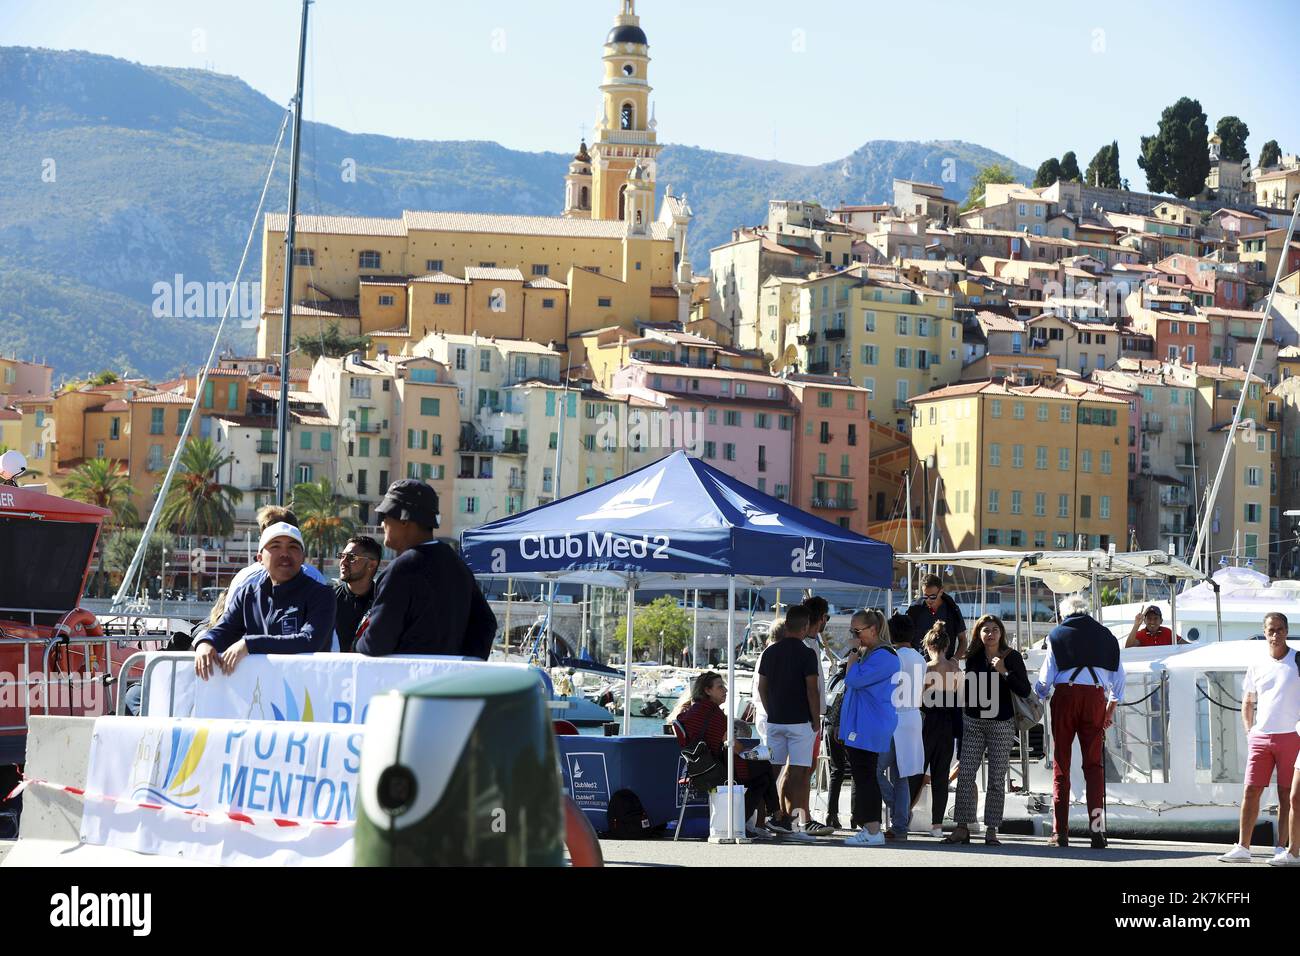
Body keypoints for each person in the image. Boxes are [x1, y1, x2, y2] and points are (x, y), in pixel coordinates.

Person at [354, 479, 497, 658]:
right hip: (449, 682)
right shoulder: (457, 565)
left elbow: (376, 643)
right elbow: (486, 623)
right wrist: (463, 664)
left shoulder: (401, 570)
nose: (383, 523)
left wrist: (358, 643)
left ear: (404, 520)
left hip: (407, 682)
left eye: (386, 516)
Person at [1035, 593, 1125, 849]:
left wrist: (1037, 696)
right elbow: (1119, 679)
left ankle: (1060, 832)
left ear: (1064, 614)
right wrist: (1110, 708)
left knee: (1061, 765)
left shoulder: (1056, 635)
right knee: (1094, 767)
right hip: (1096, 698)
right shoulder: (1107, 636)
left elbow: (1045, 679)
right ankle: (1097, 831)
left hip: (1066, 697)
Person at [193, 522, 336, 680]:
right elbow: (224, 629)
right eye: (275, 546)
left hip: (306, 694)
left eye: (293, 547)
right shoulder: (248, 595)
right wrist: (205, 643)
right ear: (260, 558)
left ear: (303, 557)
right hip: (261, 691)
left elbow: (309, 641)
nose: (285, 554)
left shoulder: (322, 594)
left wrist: (249, 644)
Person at [1221, 612, 1300, 864]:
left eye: (1279, 629)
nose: (1274, 635)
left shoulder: (1297, 660)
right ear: (1264, 632)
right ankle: (1243, 847)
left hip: (1291, 736)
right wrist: (1249, 730)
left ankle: (1281, 848)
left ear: (1287, 631)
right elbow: (1248, 700)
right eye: (1270, 630)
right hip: (1261, 737)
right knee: (1250, 791)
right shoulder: (1257, 664)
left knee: (1287, 795)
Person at [947, 614, 1030, 847]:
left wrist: (1004, 671)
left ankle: (991, 830)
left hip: (1001, 723)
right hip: (972, 721)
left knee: (995, 780)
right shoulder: (972, 657)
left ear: (1001, 633)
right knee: (964, 775)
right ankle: (962, 827)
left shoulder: (1011, 657)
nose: (990, 634)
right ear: (979, 634)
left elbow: (1024, 689)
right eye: (985, 630)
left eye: (994, 629)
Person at [671, 671, 779, 839]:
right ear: (707, 690)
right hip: (715, 770)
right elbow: (735, 746)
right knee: (763, 767)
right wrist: (749, 753)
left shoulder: (693, 712)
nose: (725, 690)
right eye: (720, 687)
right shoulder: (713, 713)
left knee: (762, 777)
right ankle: (772, 816)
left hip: (698, 769)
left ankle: (757, 819)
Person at [757, 606, 823, 839]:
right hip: (800, 722)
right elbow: (812, 690)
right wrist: (816, 720)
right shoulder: (807, 654)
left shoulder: (769, 652)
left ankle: (761, 820)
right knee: (800, 774)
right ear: (805, 627)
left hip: (775, 720)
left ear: (786, 625)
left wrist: (770, 709)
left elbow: (761, 687)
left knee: (771, 771)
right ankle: (795, 825)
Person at [840, 609, 900, 847]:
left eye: (857, 631)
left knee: (866, 775)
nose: (853, 637)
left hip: (870, 724)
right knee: (863, 774)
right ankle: (870, 827)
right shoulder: (874, 654)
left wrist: (853, 654)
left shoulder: (884, 656)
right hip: (863, 723)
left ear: (872, 630)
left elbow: (853, 680)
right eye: (851, 631)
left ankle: (874, 829)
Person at [876, 613, 924, 840]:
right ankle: (900, 825)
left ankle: (897, 810)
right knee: (902, 775)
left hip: (894, 718)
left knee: (874, 769)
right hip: (913, 718)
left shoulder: (892, 656)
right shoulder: (920, 658)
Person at [920, 620, 962, 838]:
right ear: (947, 646)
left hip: (929, 723)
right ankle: (937, 825)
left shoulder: (927, 668)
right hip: (948, 724)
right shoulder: (956, 670)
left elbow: (920, 699)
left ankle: (902, 817)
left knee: (917, 773)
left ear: (928, 646)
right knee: (941, 776)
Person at [334, 535, 381, 652]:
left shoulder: (383, 602)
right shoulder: (329, 600)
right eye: (341, 556)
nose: (343, 562)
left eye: (351, 557)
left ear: (371, 565)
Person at [823, 646, 853, 829]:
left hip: (828, 726)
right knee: (856, 772)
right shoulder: (850, 679)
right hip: (843, 726)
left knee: (837, 771)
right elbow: (844, 703)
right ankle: (855, 815)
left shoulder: (833, 679)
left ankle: (831, 814)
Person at [906, 573, 968, 660]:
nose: (928, 600)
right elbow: (905, 640)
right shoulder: (915, 610)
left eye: (932, 596)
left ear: (941, 591)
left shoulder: (952, 609)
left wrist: (954, 660)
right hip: (920, 666)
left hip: (945, 666)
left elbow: (963, 640)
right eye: (925, 596)